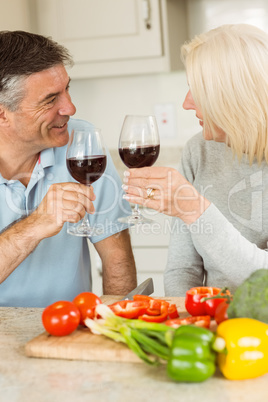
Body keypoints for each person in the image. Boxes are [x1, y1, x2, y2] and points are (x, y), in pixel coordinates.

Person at [122, 23, 268, 296]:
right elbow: (182, 269)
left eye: (197, 90)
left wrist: (193, 208)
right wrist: (190, 323)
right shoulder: (197, 151)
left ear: (235, 98)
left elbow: (264, 278)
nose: (187, 103)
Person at [0, 30, 137, 307]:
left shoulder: (82, 143)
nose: (70, 108)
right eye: (50, 100)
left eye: (67, 89)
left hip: (70, 326)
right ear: (3, 114)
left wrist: (117, 329)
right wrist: (37, 224)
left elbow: (116, 257)